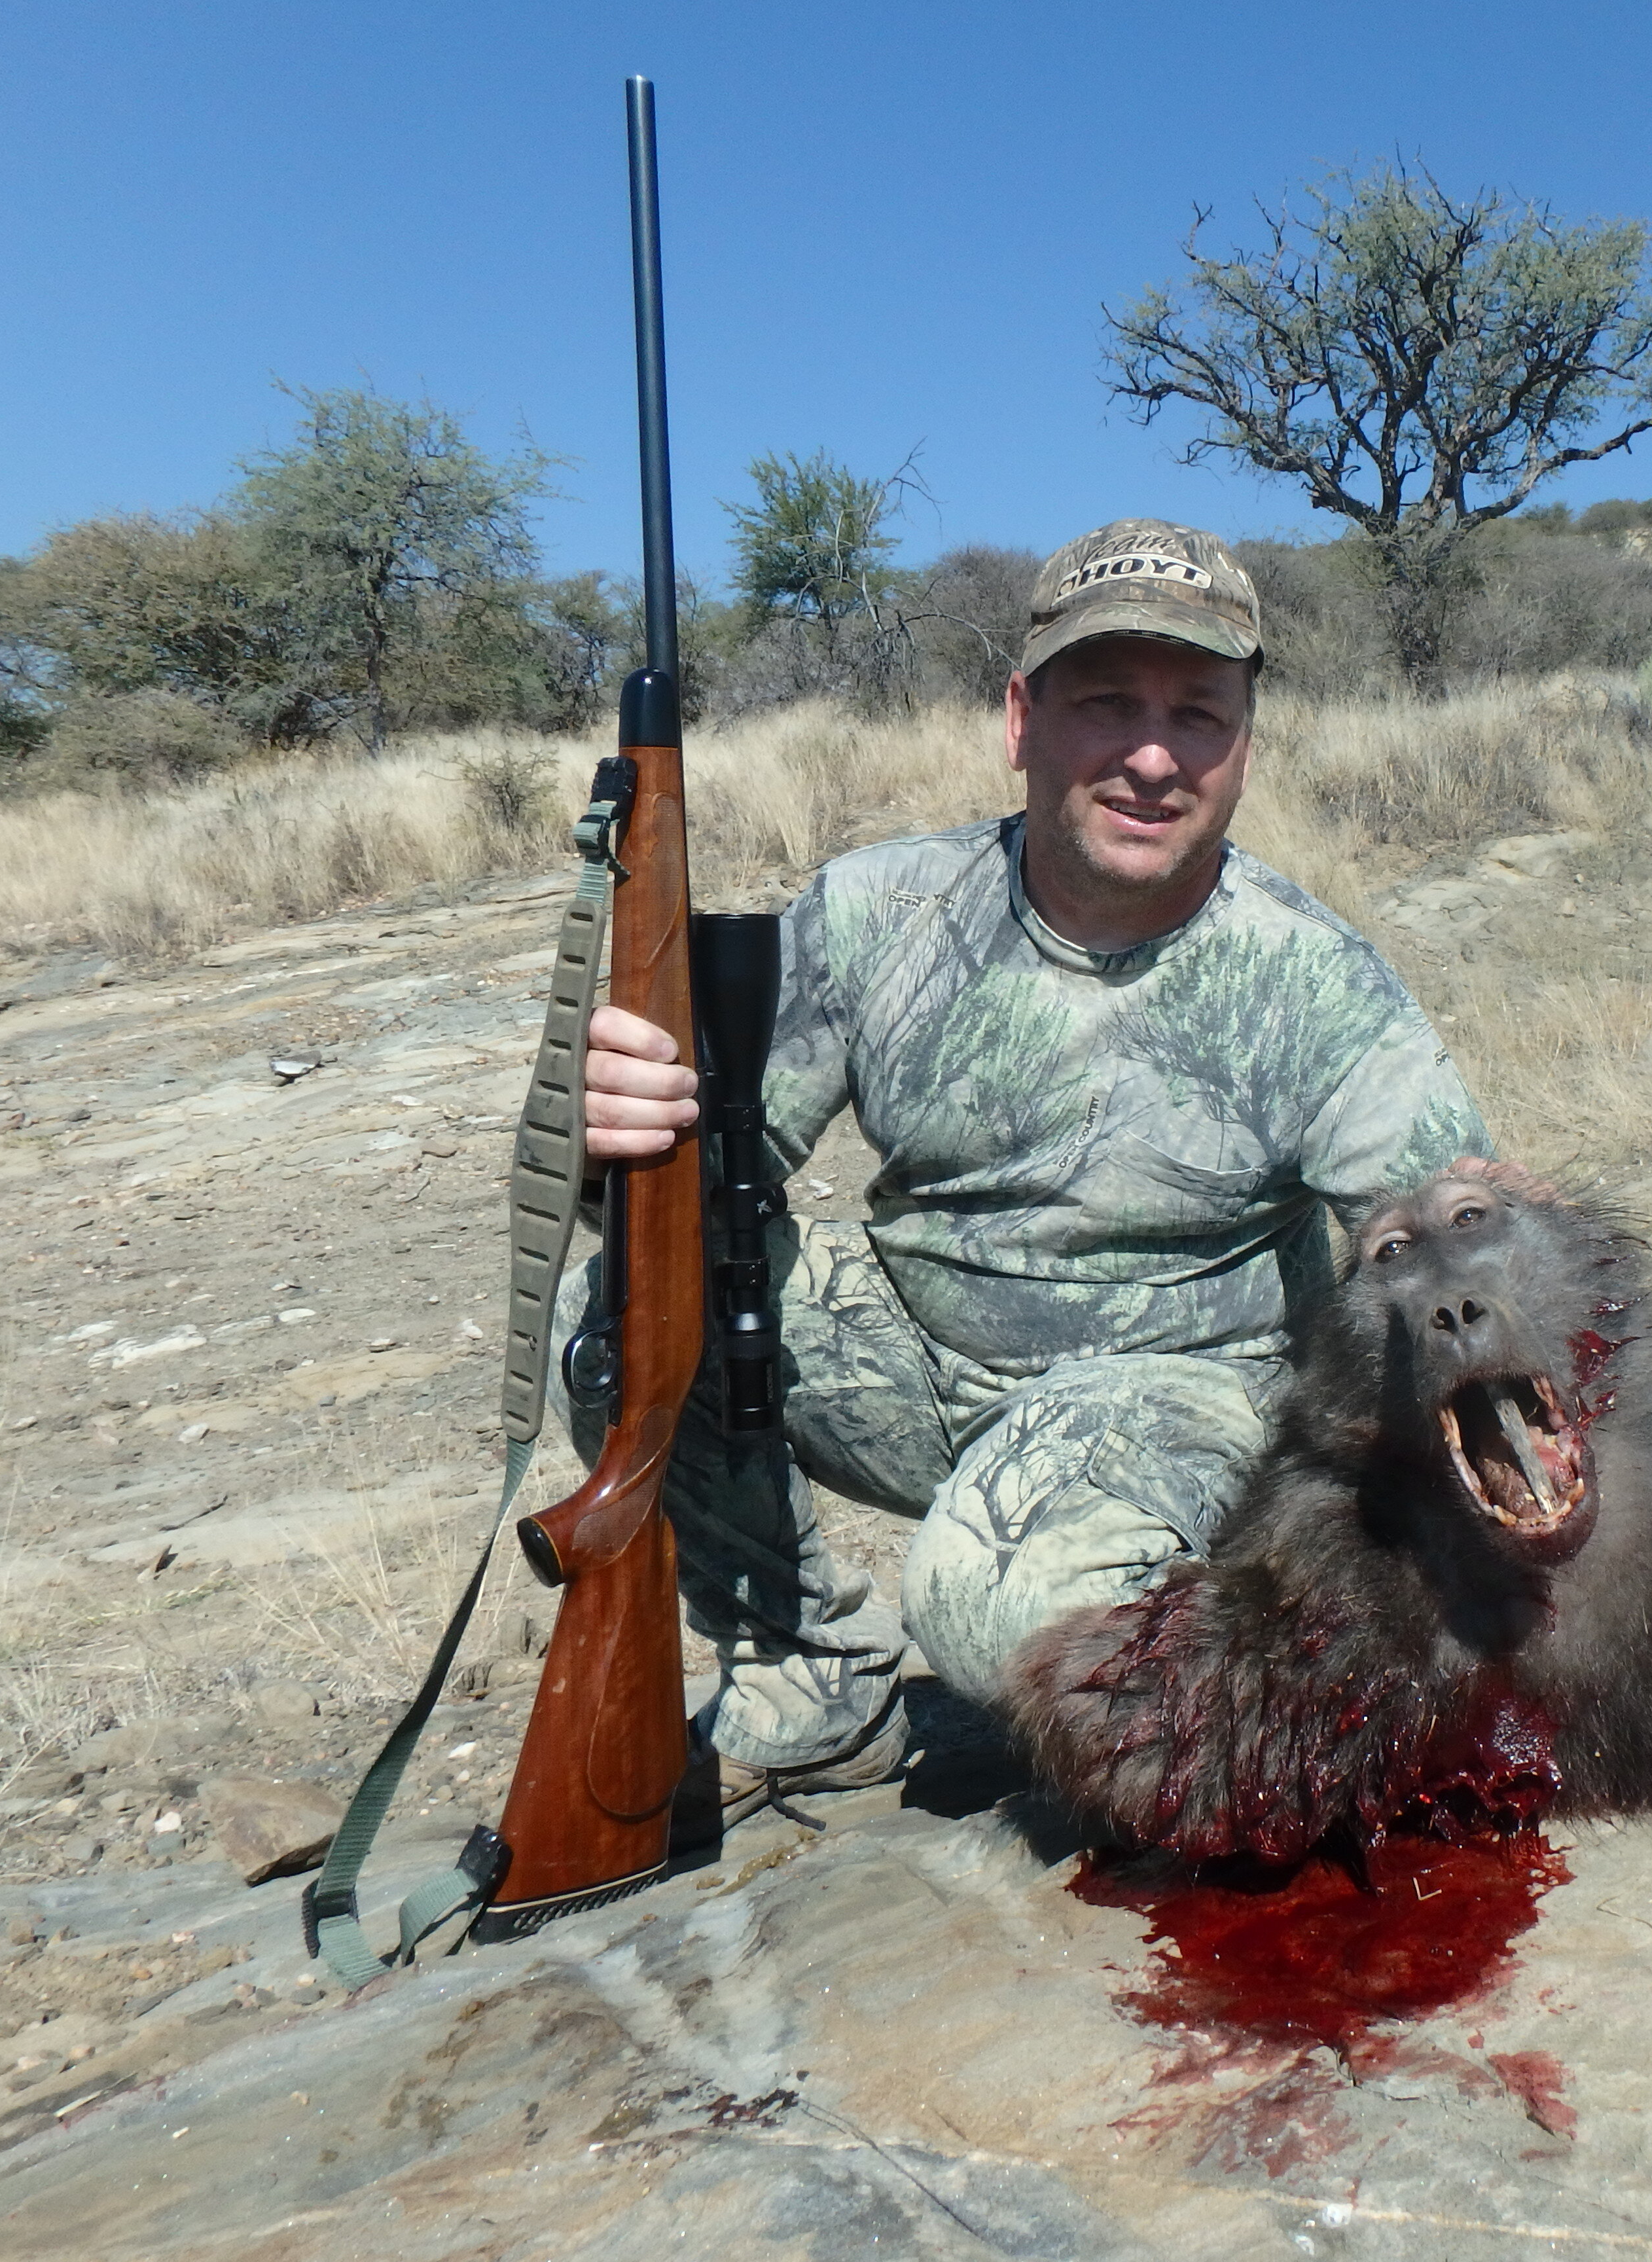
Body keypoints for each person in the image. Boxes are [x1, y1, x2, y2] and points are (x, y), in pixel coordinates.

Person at [565, 518, 1491, 1824]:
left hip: (1181, 1397)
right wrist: (618, 1135)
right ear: (1021, 719)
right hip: (921, 1355)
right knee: (616, 1317)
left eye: (1198, 714)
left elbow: (1458, 1263)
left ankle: (1274, 1699)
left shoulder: (1315, 980)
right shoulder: (876, 911)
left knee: (984, 1598)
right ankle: (811, 1686)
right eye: (1107, 703)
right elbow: (693, 1194)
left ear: (1245, 739)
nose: (1154, 756)